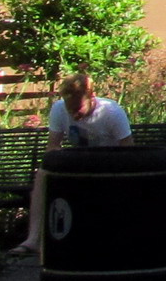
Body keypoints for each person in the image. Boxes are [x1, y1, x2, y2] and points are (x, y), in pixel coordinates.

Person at [13, 70, 133, 254]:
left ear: (92, 97)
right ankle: (34, 239)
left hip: (109, 166)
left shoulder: (111, 112)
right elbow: (53, 147)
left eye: (78, 109)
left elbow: (129, 151)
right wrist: (54, 165)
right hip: (77, 165)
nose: (74, 114)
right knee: (43, 174)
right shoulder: (59, 109)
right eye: (70, 109)